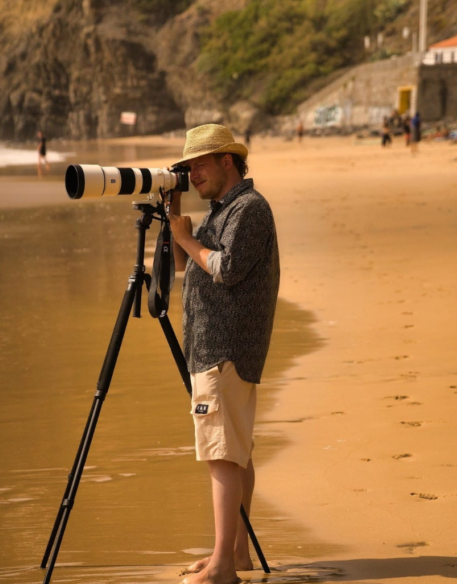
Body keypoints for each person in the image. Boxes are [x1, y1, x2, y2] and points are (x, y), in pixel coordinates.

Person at [166, 124, 280, 584]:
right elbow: (184, 266)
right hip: (219, 346)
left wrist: (190, 240)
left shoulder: (249, 210)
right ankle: (236, 553)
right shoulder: (222, 211)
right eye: (188, 167)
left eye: (198, 165)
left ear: (226, 161)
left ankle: (221, 568)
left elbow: (226, 269)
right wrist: (177, 225)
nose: (192, 174)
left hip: (225, 347)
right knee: (236, 454)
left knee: (220, 453)